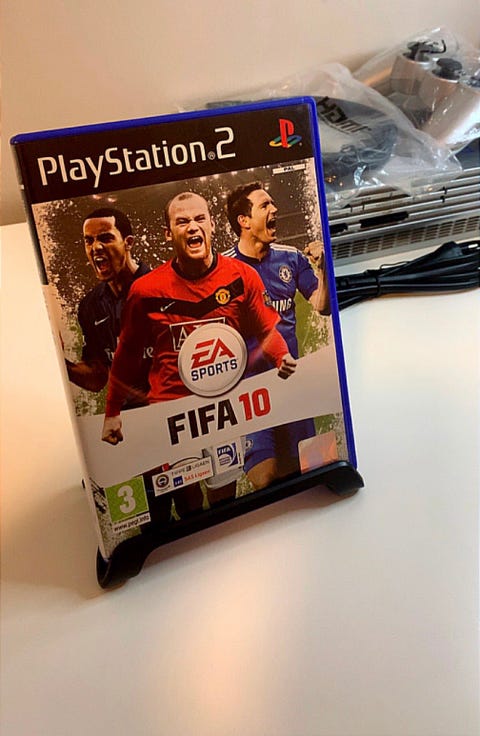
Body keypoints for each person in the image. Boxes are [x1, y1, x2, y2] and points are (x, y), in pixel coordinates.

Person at [101, 192, 296, 514]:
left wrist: (281, 356)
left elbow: (265, 329)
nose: (193, 226)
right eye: (182, 222)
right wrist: (112, 412)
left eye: (199, 218)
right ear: (168, 233)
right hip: (173, 413)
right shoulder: (146, 290)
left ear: (212, 225)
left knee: (224, 498)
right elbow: (127, 355)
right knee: (188, 503)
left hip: (223, 408)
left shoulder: (241, 276)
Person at [225, 181, 331, 490]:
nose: (275, 209)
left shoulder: (291, 257)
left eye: (272, 203)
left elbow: (322, 306)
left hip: (292, 384)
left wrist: (324, 268)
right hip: (250, 391)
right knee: (265, 478)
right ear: (244, 221)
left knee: (311, 473)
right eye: (265, 205)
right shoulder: (222, 269)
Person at [66, 207, 150, 400]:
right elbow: (98, 379)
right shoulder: (90, 306)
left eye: (105, 238)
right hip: (129, 413)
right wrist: (59, 362)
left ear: (128, 242)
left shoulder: (163, 289)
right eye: (89, 241)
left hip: (174, 406)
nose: (96, 247)